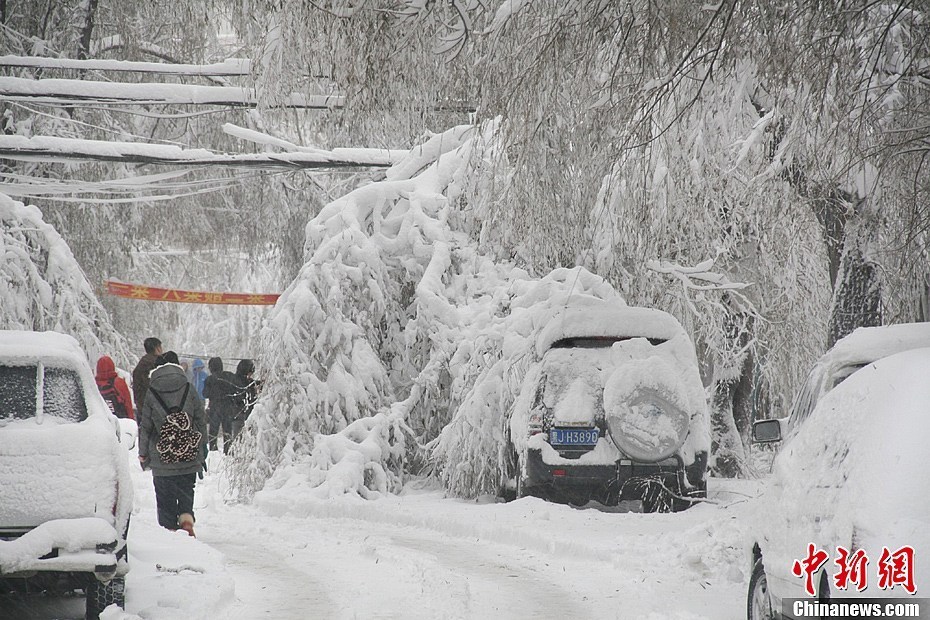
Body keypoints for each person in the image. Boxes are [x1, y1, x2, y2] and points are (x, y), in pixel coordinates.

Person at [137, 351, 207, 537]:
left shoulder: (152, 392)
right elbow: (200, 420)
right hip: (188, 454)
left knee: (165, 496)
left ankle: (169, 531)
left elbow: (146, 426)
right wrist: (202, 447)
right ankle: (186, 520)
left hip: (161, 456)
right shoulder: (189, 388)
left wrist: (143, 452)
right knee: (186, 490)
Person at [202, 357, 242, 454]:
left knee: (213, 430)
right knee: (227, 430)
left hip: (215, 407)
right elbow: (237, 389)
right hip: (228, 406)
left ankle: (213, 449)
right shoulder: (229, 376)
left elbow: (205, 394)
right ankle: (228, 450)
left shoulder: (209, 379)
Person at [95, 355, 134, 420]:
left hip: (101, 422)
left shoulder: (94, 385)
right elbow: (128, 405)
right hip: (121, 422)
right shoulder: (119, 382)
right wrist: (131, 421)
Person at [229, 359, 259, 445]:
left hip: (237, 415)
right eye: (250, 373)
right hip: (240, 415)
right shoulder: (243, 383)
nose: (250, 375)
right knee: (239, 441)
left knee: (238, 440)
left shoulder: (235, 380)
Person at [132, 337, 163, 411]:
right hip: (154, 407)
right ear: (157, 348)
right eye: (160, 347)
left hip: (142, 404)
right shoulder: (157, 363)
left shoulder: (142, 362)